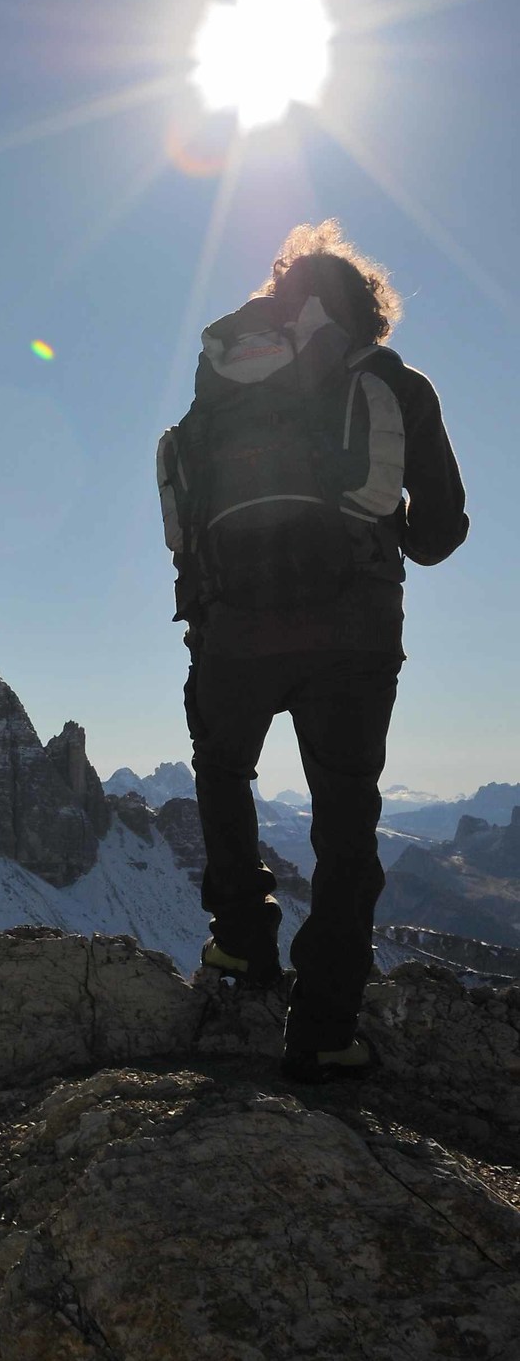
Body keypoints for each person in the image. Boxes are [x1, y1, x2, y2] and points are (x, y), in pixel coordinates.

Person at [157, 219, 468, 1082]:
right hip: (352, 636)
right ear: (364, 311)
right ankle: (324, 1028)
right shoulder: (392, 381)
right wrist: (378, 522)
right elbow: (439, 535)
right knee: (345, 822)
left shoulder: (215, 397)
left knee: (221, 773)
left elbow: (182, 519)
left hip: (230, 632)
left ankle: (240, 946)